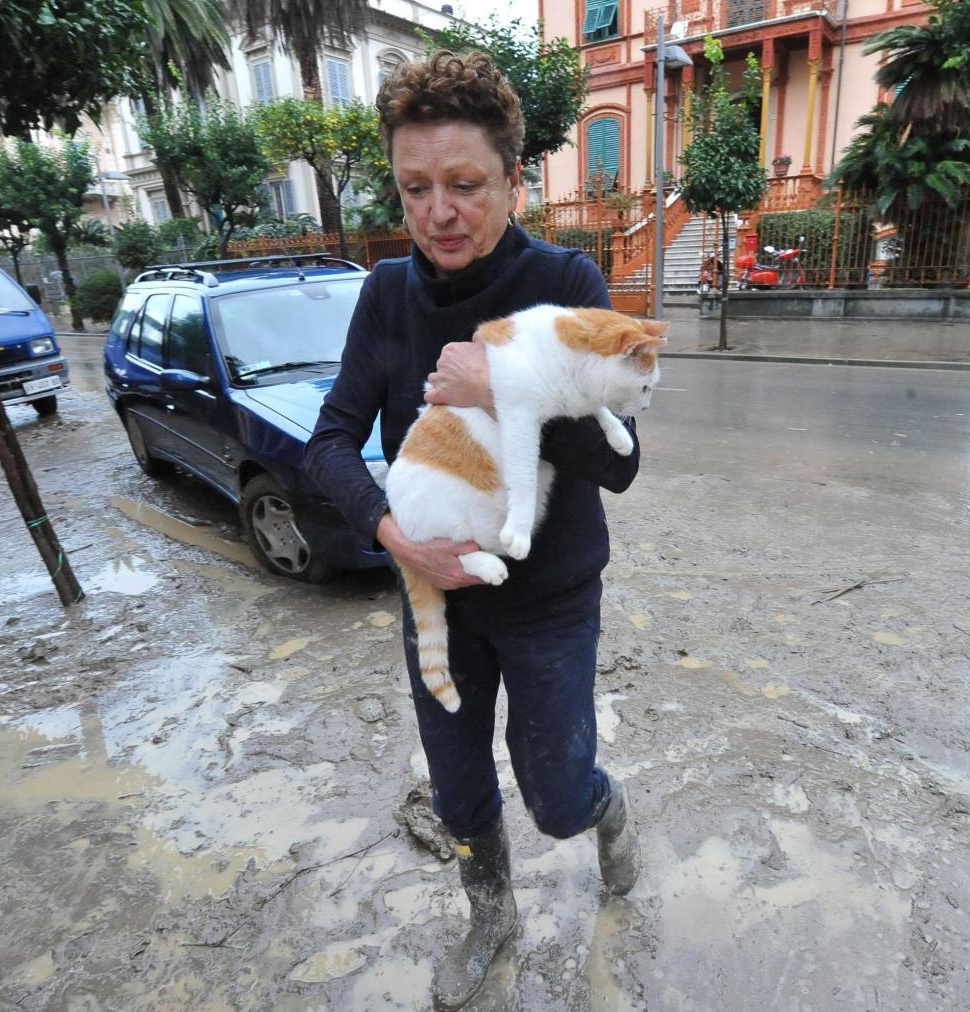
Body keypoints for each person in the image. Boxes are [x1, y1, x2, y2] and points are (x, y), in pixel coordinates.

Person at [303, 51, 642, 1009]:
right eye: (416, 188)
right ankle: (489, 914)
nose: (440, 212)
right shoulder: (383, 296)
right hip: (437, 587)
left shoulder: (566, 277)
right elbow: (326, 442)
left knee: (557, 797)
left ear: (514, 179)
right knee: (458, 794)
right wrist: (390, 534)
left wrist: (500, 386)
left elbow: (621, 462)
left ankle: (607, 812)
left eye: (465, 185)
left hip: (549, 600)